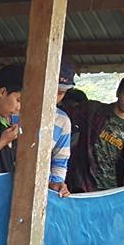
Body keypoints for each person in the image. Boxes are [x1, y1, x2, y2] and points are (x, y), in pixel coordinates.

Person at [67, 72, 124, 192]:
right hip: (81, 187)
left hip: (112, 192)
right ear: (118, 92)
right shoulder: (91, 110)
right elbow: (63, 118)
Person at [50, 59, 76, 197]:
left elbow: (60, 160)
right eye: (52, 90)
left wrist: (57, 183)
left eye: (60, 93)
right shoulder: (15, 110)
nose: (54, 97)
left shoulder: (62, 121)